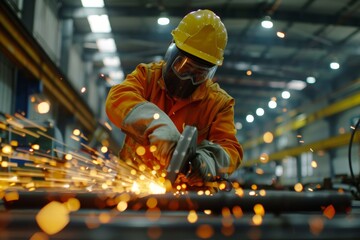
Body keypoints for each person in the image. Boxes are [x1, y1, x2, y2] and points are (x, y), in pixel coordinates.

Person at [105, 9, 243, 188]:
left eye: (199, 74)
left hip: (186, 193)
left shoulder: (218, 103)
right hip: (131, 184)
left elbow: (231, 150)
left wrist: (206, 162)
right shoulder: (147, 77)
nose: (189, 79)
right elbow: (116, 99)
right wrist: (157, 126)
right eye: (184, 67)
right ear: (171, 54)